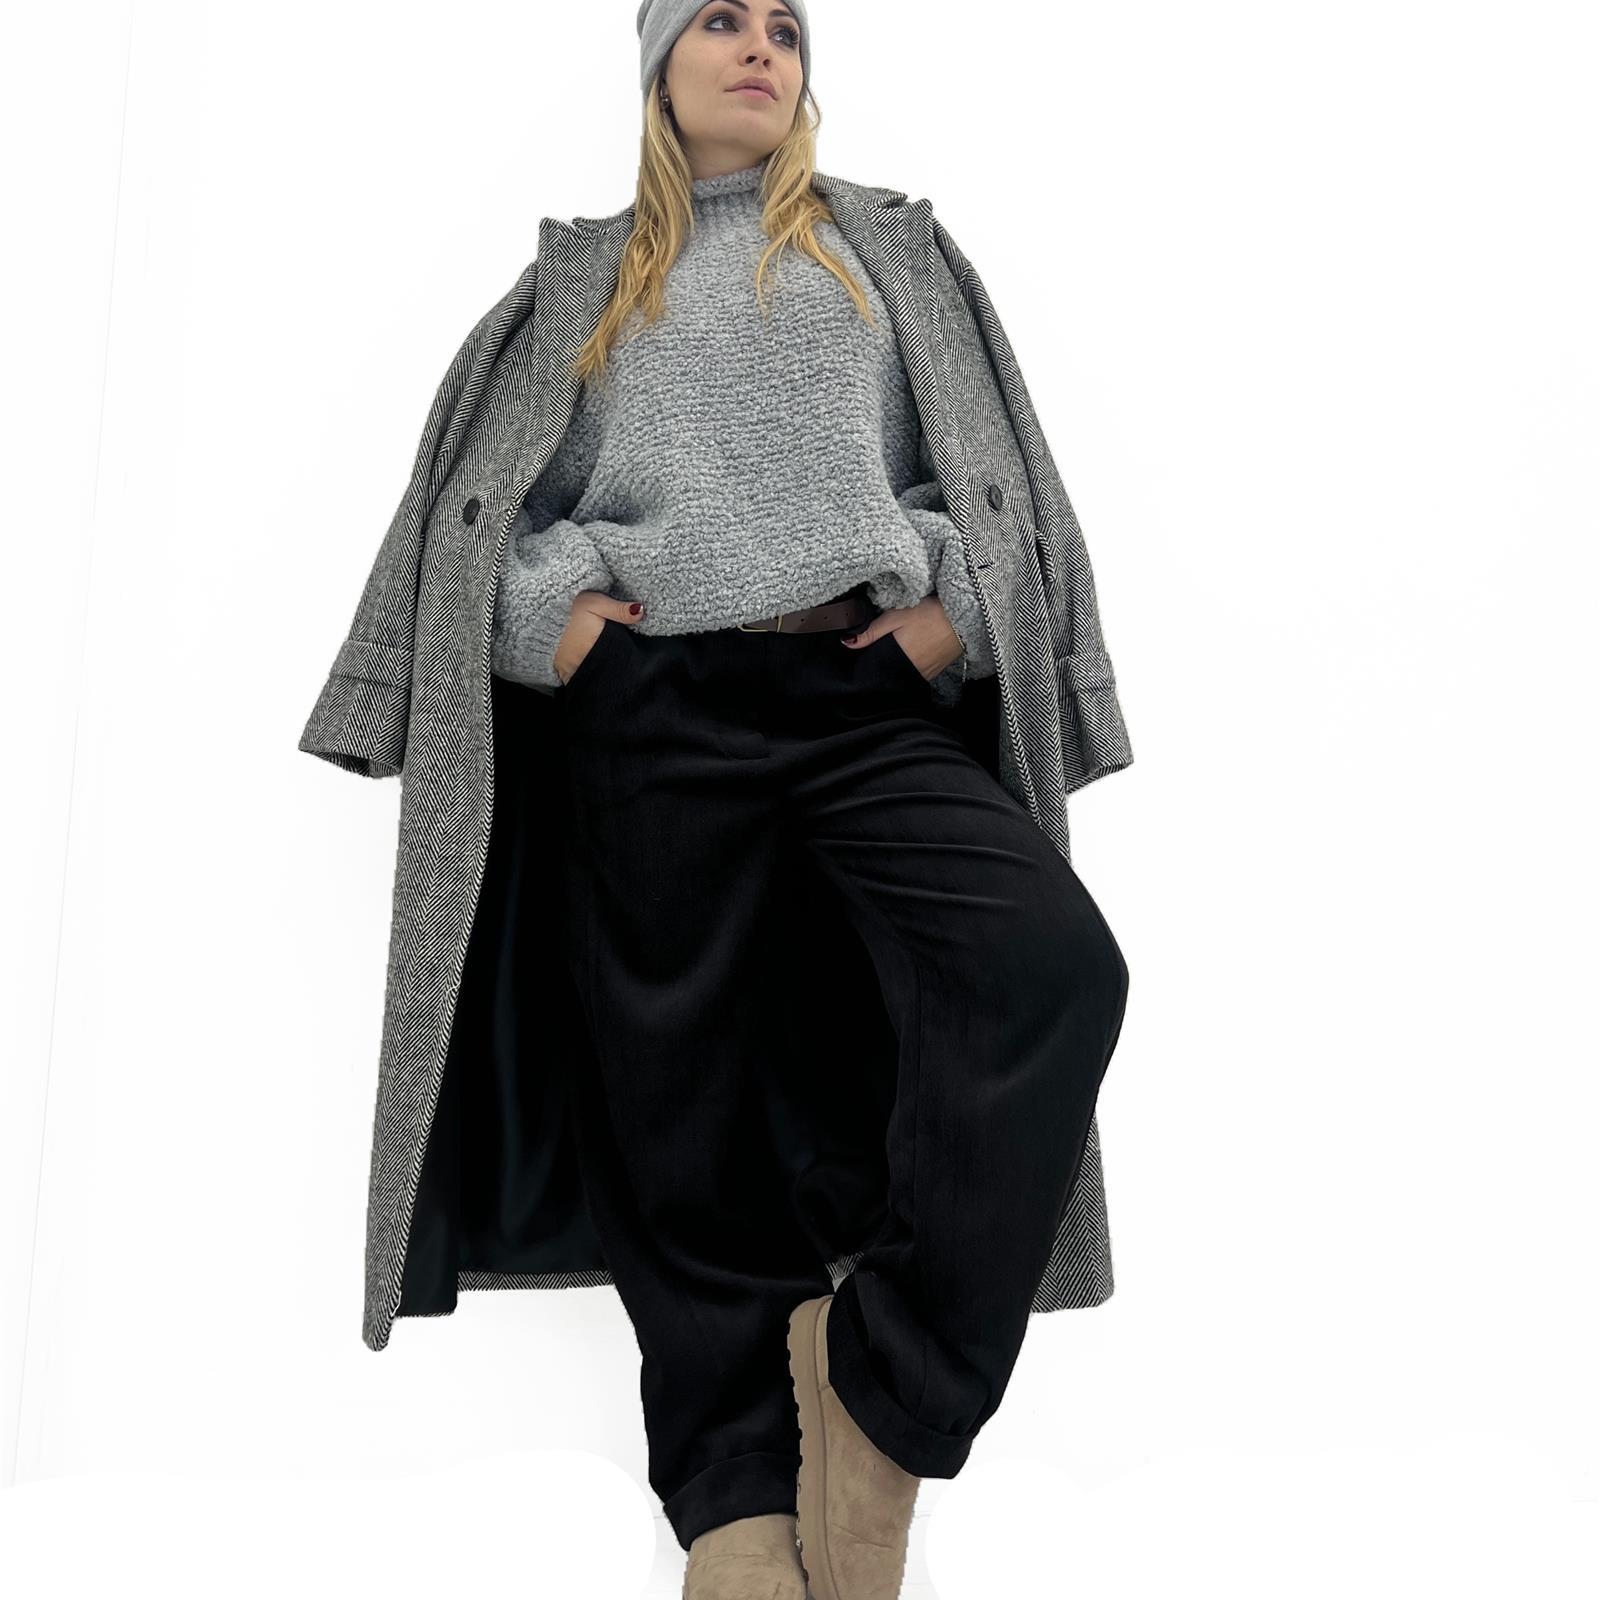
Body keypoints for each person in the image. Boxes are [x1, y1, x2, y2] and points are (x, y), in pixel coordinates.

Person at [488, 5, 1131, 1598]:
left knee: (1047, 970)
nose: (760, 46)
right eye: (720, 19)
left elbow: (990, 469)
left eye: (785, 26)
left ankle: (883, 1393)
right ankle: (730, 1509)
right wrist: (566, 629)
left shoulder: (882, 253)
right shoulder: (585, 279)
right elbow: (489, 513)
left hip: (854, 689)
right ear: (659, 65)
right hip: (653, 707)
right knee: (675, 1103)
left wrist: (950, 616)